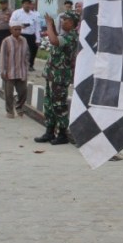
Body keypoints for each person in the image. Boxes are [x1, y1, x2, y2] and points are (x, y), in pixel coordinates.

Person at [34, 11, 79, 145]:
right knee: (49, 104)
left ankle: (62, 134)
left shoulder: (72, 37)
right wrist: (52, 25)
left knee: (59, 105)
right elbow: (56, 37)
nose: (63, 22)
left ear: (72, 23)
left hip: (60, 77)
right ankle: (49, 131)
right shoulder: (65, 35)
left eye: (66, 20)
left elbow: (54, 41)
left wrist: (48, 25)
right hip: (52, 75)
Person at [0, 23, 29, 118]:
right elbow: (3, 57)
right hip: (9, 71)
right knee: (9, 93)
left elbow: (26, 55)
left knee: (23, 92)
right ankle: (10, 111)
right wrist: (3, 71)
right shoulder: (6, 41)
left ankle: (19, 107)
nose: (18, 31)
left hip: (21, 71)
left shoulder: (24, 40)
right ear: (11, 30)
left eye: (19, 29)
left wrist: (26, 69)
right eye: (15, 29)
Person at [10, 0, 42, 70]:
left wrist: (38, 39)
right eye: (26, 4)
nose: (27, 5)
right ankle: (18, 65)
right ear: (22, 4)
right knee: (20, 50)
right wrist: (20, 25)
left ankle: (30, 65)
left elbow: (37, 27)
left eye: (29, 4)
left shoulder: (34, 15)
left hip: (31, 35)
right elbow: (11, 22)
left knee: (33, 50)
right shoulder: (16, 13)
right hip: (21, 34)